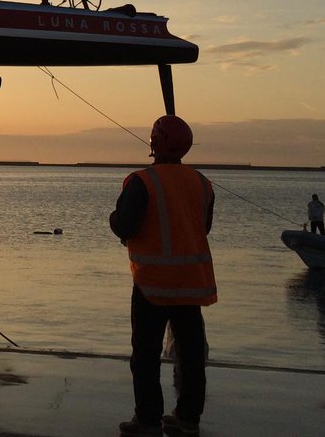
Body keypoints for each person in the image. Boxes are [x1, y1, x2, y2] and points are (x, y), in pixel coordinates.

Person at [110, 115, 216, 436]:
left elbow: (125, 226)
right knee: (192, 354)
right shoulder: (201, 183)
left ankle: (147, 419)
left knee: (145, 354)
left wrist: (114, 218)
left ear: (154, 142)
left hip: (152, 284)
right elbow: (204, 226)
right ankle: (187, 418)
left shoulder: (142, 181)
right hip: (191, 284)